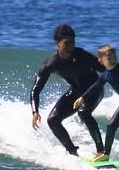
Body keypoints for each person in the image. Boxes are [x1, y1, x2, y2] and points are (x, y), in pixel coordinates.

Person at [30, 23, 106, 156]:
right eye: (66, 43)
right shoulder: (50, 64)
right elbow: (35, 90)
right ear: (57, 43)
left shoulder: (82, 55)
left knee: (84, 113)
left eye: (72, 42)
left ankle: (101, 151)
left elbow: (106, 69)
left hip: (94, 89)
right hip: (76, 90)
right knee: (52, 120)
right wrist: (35, 111)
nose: (70, 46)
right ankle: (72, 152)